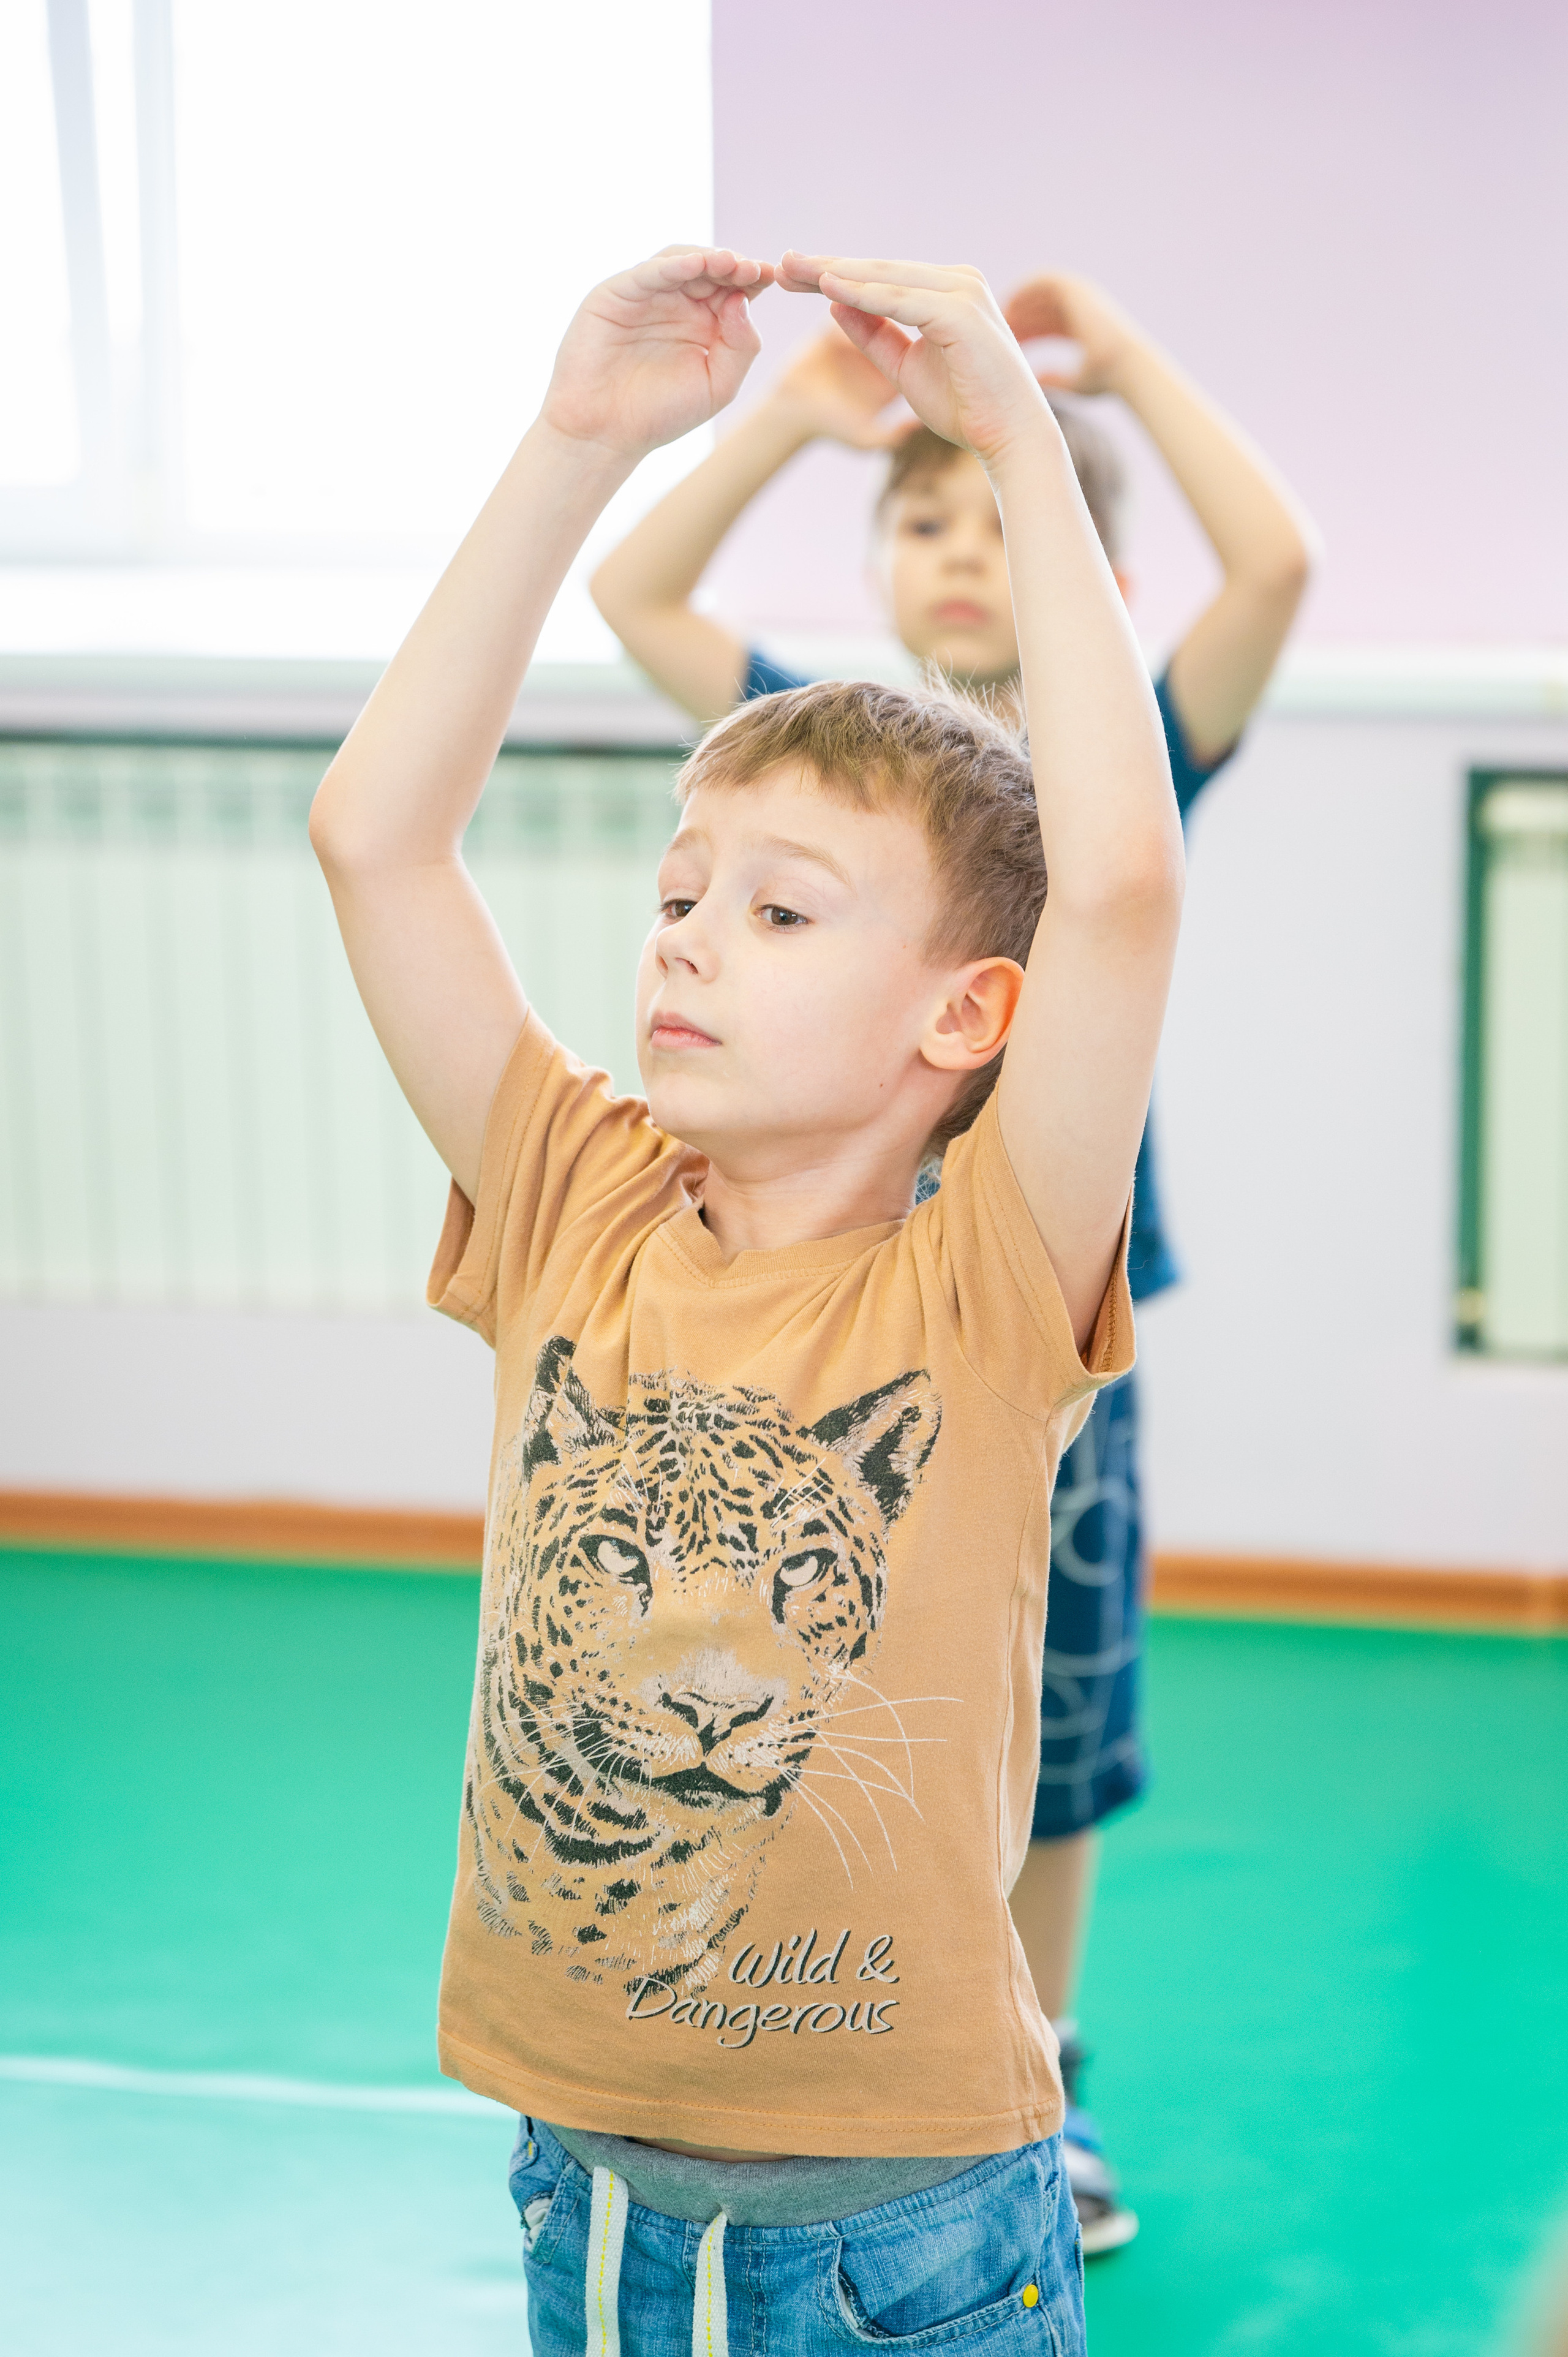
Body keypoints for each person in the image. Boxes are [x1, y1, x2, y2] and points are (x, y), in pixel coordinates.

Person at [310, 239, 1185, 2354]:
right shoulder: (572, 1197)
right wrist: (574, 446)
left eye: (782, 910)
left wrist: (1011, 441)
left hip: (908, 2237)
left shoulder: (981, 1280)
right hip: (581, 2188)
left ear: (968, 1014)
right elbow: (375, 840)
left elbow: (1127, 888)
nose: (688, 941)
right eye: (680, 893)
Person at [592, 269, 1318, 2252]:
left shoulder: (1115, 758)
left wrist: (1100, 382)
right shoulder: (846, 776)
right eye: (921, 519)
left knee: (1056, 1704)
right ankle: (816, 2026)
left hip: (1041, 1336)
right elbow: (638, 600)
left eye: (998, 522)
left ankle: (1041, 2061)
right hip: (834, 1329)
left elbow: (1275, 569)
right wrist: (794, 417)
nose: (959, 554)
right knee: (831, 1675)